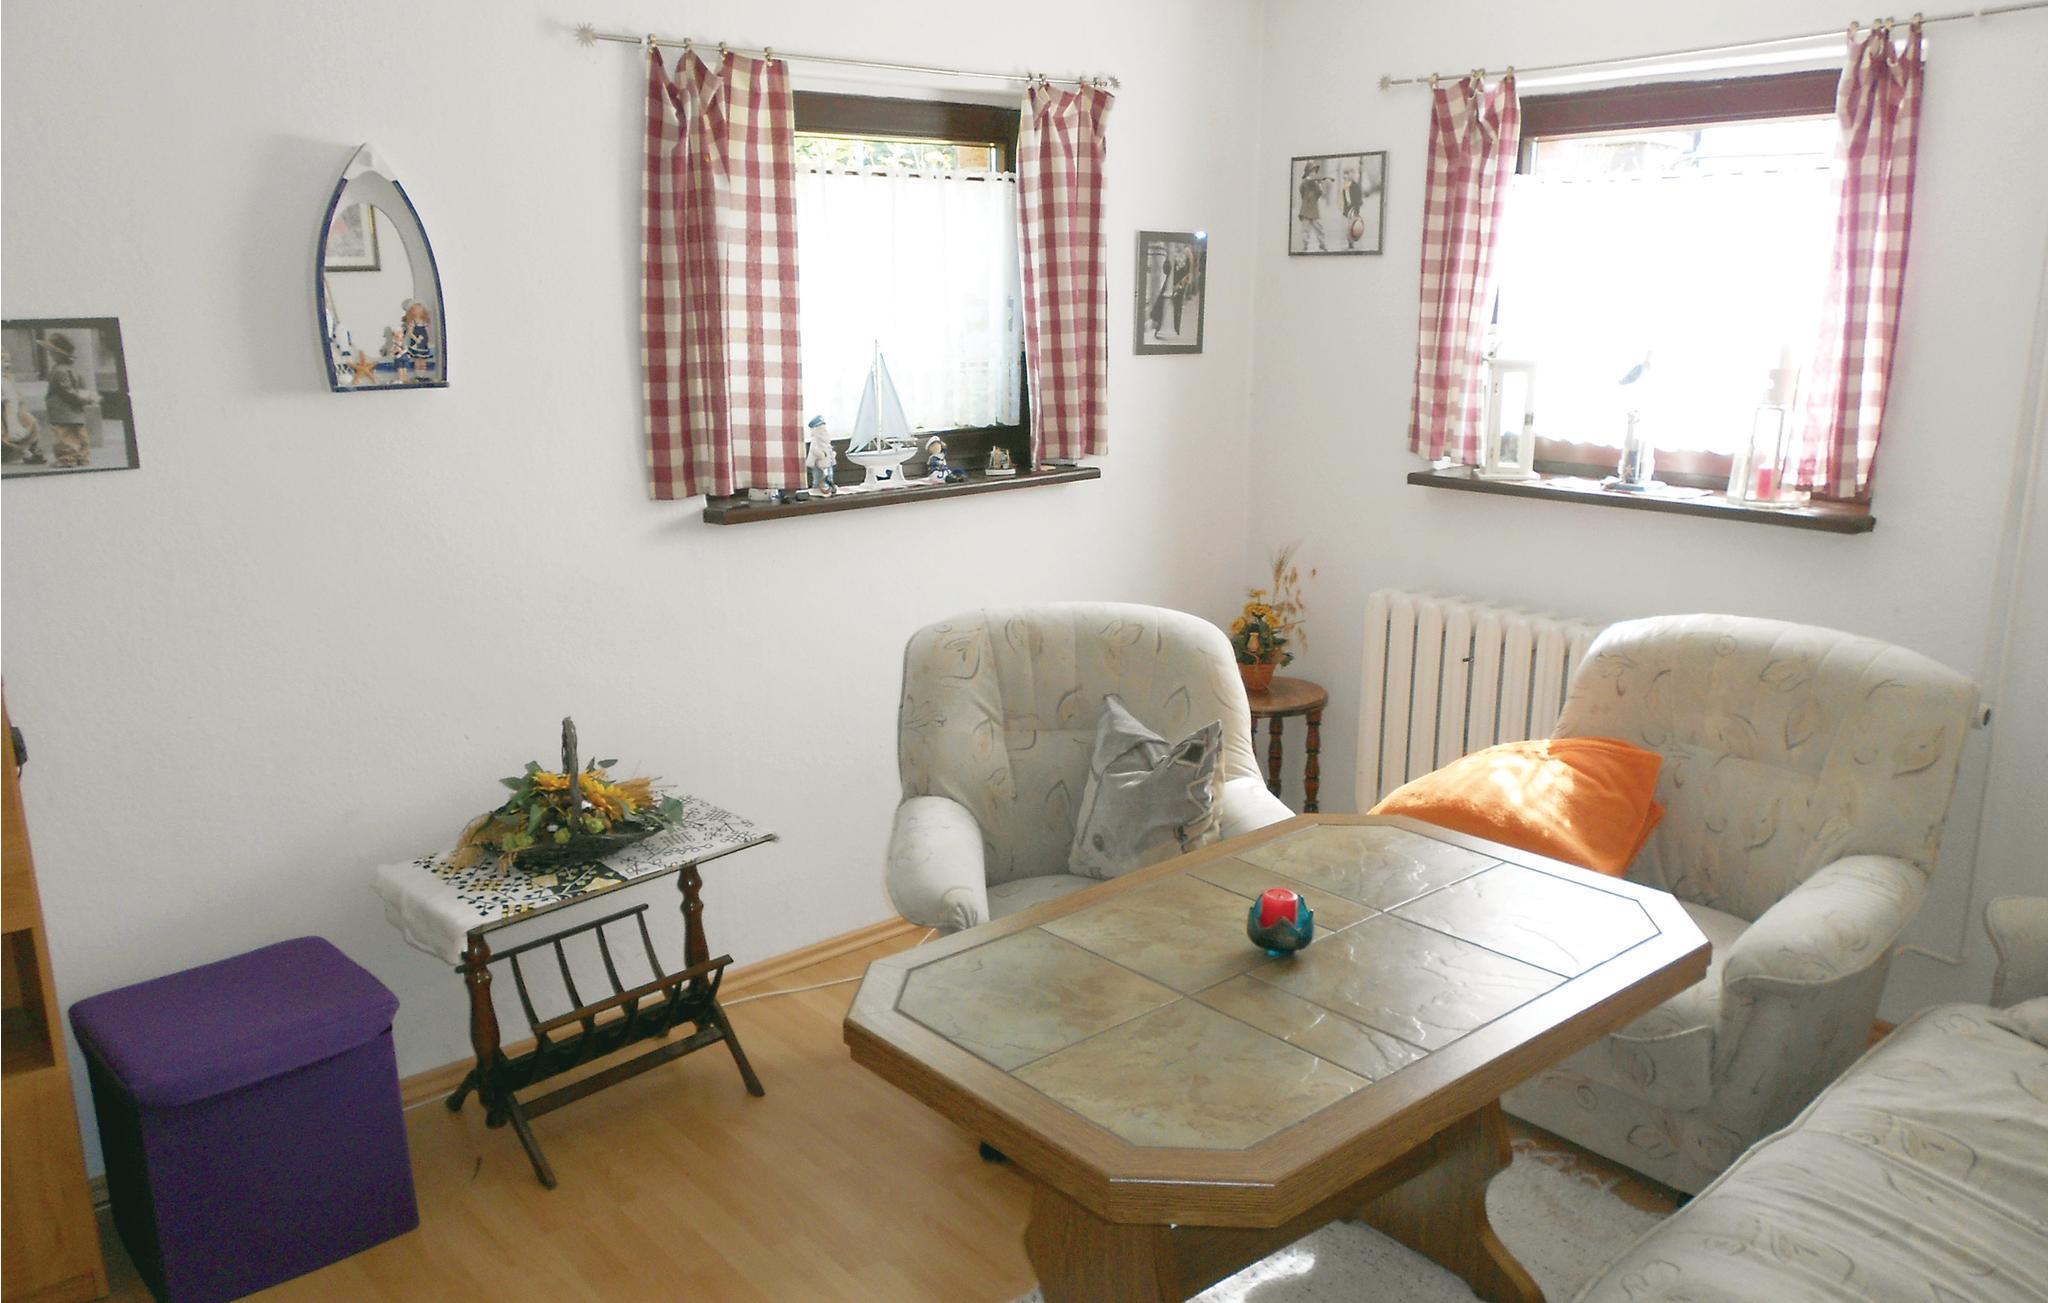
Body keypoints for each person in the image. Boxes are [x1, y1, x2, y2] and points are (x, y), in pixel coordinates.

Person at [39, 331, 97, 468]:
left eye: (52, 352)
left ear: (59, 354)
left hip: (62, 410)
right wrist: (85, 398)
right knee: (79, 433)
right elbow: (82, 386)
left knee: (64, 435)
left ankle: (67, 458)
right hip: (75, 410)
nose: (50, 355)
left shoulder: (59, 370)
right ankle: (82, 456)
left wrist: (78, 398)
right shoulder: (73, 369)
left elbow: (66, 391)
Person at [2, 351, 45, 465]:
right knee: (10, 431)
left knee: (30, 423)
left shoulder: (8, 379)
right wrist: (4, 399)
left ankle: (30, 450)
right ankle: (24, 453)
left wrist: (18, 400)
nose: (6, 365)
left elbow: (16, 393)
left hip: (15, 410)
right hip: (5, 412)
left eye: (8, 362)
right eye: (3, 361)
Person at [1296, 161, 1330, 252]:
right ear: (1308, 172)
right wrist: (1309, 180)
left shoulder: (1315, 184)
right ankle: (1305, 245)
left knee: (1319, 229)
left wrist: (1319, 184)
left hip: (1314, 211)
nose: (1314, 173)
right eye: (1312, 171)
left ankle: (1322, 244)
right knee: (1305, 230)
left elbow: (1320, 194)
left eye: (1314, 171)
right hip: (1305, 210)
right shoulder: (1305, 182)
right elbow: (1302, 190)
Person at [1169, 243, 1197, 337]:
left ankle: (1176, 328)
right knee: (1175, 306)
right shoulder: (1177, 254)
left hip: (1180, 284)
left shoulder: (1186, 252)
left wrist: (1181, 283)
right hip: (1174, 283)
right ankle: (1175, 327)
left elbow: (1188, 272)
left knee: (1178, 306)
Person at [1145, 242, 1171, 340]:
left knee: (1161, 307)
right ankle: (1158, 326)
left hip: (1168, 287)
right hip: (1167, 286)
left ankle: (1158, 326)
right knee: (1160, 306)